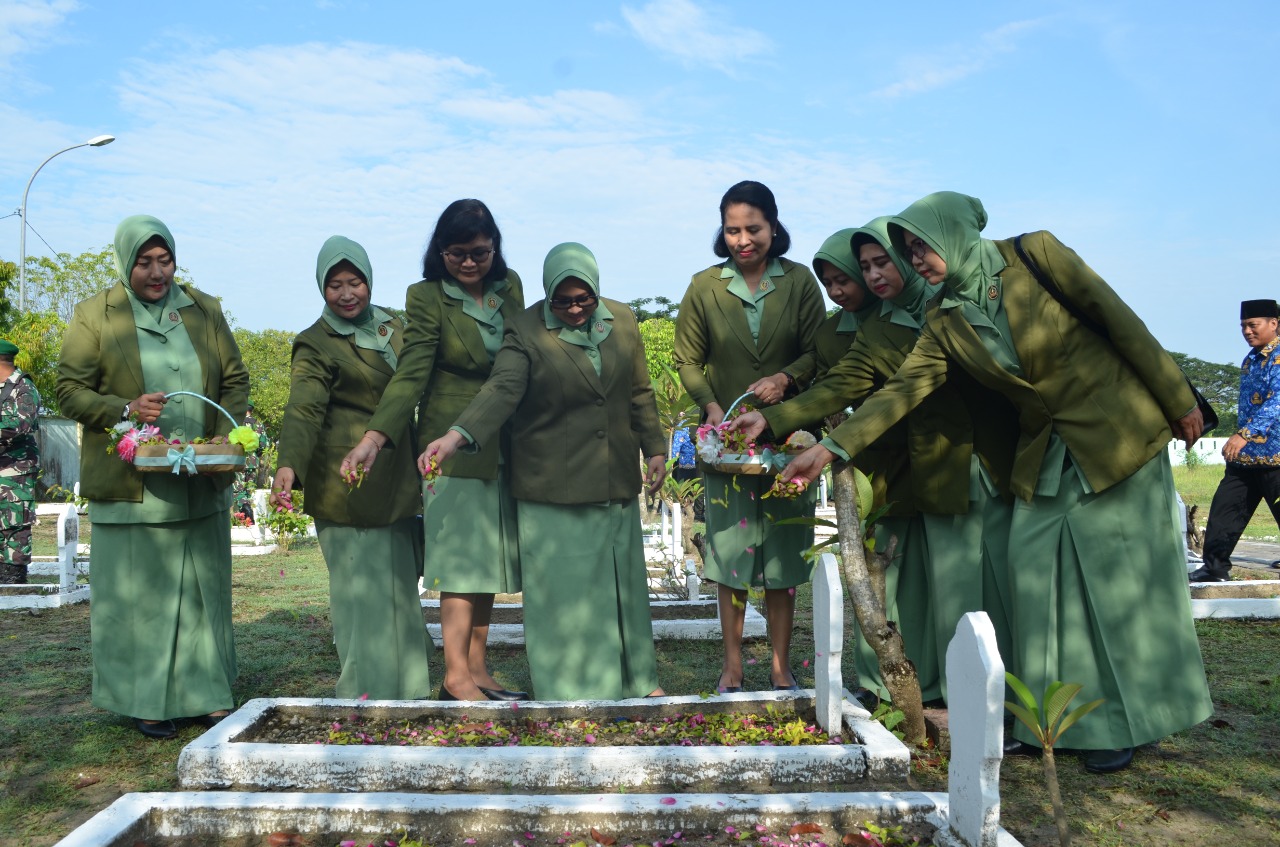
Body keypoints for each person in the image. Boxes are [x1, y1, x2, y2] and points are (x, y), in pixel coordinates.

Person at [778, 192, 1212, 773]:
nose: (917, 258)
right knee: (1028, 569)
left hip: (1117, 432)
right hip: (1050, 447)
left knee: (1117, 580)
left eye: (919, 246)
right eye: (908, 250)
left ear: (952, 235)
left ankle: (1122, 722)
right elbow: (903, 388)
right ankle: (1049, 720)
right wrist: (833, 447)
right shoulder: (945, 317)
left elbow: (1116, 318)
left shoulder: (1034, 255)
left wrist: (1179, 398)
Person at [730, 219, 1020, 706]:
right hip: (914, 460)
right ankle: (925, 690)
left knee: (984, 584)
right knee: (925, 584)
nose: (869, 276)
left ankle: (993, 698)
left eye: (879, 262)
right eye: (862, 267)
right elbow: (842, 382)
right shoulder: (879, 326)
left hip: (987, 455)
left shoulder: (949, 301)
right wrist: (773, 417)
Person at [423, 242, 668, 701]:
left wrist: (654, 447)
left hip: (613, 480)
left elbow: (639, 391)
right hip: (553, 486)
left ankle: (638, 681)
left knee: (623, 591)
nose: (574, 309)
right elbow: (503, 388)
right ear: (547, 294)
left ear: (596, 291)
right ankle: (571, 688)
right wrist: (456, 436)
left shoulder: (622, 319)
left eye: (583, 299)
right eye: (563, 300)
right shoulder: (526, 328)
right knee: (565, 599)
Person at [56, 215, 248, 739]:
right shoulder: (96, 315)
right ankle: (147, 700)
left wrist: (224, 437)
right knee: (143, 598)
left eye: (165, 261)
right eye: (145, 262)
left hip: (199, 478)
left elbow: (234, 378)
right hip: (132, 484)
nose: (157, 272)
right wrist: (124, 407)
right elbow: (68, 388)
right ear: (126, 262)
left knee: (200, 589)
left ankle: (207, 693)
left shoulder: (203, 310)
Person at [340, 200, 526, 702]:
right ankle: (455, 676)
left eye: (480, 253)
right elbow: (412, 372)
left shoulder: (511, 289)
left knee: (487, 562)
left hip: (505, 437)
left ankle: (480, 670)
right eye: (457, 253)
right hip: (449, 446)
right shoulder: (426, 297)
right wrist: (375, 437)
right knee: (461, 563)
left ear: (495, 248)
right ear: (438, 251)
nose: (469, 263)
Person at [672, 180, 825, 694]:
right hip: (727, 444)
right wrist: (714, 409)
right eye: (732, 230)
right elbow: (687, 360)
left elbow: (817, 353)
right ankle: (732, 666)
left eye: (753, 229)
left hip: (788, 442)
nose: (742, 240)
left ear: (774, 226)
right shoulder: (704, 287)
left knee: (782, 554)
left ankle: (781, 665)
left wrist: (785, 381)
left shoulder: (801, 283)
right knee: (731, 555)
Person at [272, 235, 433, 700]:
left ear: (368, 279)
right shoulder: (315, 342)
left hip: (397, 478)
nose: (347, 294)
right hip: (347, 482)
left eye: (355, 281)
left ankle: (410, 688)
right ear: (322, 288)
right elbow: (302, 409)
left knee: (400, 588)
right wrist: (289, 465)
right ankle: (364, 693)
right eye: (335, 284)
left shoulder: (394, 327)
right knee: (358, 594)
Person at [1190, 299, 1280, 582]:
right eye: (1243, 326)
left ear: (1274, 324)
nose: (1247, 331)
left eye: (1253, 325)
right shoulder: (1250, 360)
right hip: (1244, 458)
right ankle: (1215, 568)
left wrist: (1243, 434)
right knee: (1224, 511)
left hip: (1277, 456)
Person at [0, 339, 40, 585]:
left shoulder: (23, 387)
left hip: (16, 468)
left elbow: (23, 424)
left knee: (14, 522)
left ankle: (13, 575)